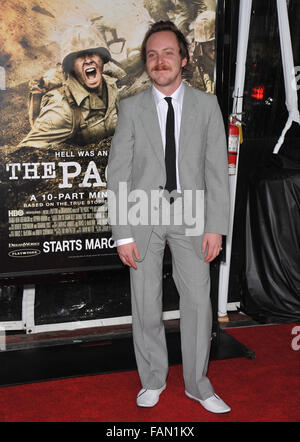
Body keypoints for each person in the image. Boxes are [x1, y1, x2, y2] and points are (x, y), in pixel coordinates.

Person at [107, 21, 230, 414]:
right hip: (142, 214)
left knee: (198, 301)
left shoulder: (207, 105)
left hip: (192, 213)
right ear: (146, 63)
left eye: (168, 53)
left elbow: (216, 170)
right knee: (145, 303)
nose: (160, 61)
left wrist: (216, 226)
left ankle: (197, 384)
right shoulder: (130, 108)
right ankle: (153, 379)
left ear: (184, 59)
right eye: (152, 55)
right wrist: (122, 232)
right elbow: (118, 173)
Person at [18, 25, 119, 149]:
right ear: (71, 66)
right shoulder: (62, 109)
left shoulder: (113, 88)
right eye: (80, 56)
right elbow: (26, 150)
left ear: (102, 58)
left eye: (93, 53)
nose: (88, 60)